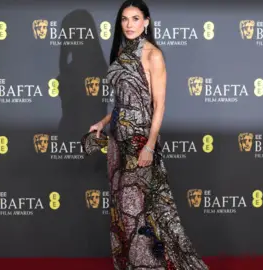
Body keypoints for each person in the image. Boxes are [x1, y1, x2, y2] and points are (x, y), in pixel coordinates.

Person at [83, 0, 209, 269]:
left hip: (140, 139)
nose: (129, 25)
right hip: (119, 139)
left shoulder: (153, 55)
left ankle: (151, 265)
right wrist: (103, 122)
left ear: (147, 22)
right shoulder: (121, 51)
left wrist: (150, 146)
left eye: (135, 18)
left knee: (139, 208)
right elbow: (121, 102)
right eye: (125, 19)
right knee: (123, 210)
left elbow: (158, 105)